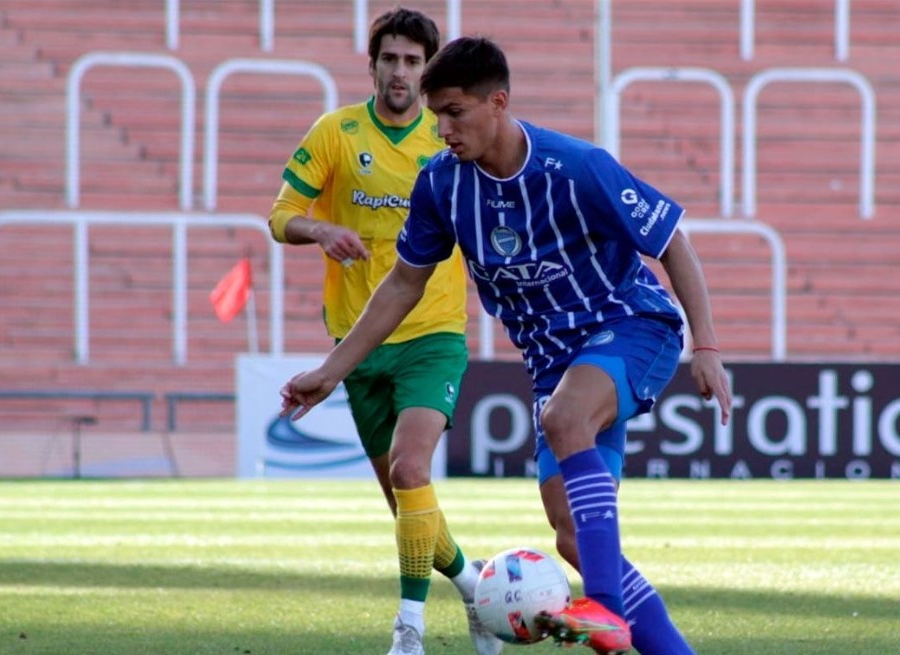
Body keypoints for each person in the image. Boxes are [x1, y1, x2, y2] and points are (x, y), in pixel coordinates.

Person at [280, 36, 733, 655]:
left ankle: (601, 609)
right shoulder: (441, 185)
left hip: (632, 325)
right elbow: (403, 283)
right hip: (552, 363)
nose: (441, 128)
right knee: (573, 537)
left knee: (566, 418)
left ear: (498, 103)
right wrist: (331, 371)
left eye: (454, 112)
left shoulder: (576, 167)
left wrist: (706, 346)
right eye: (436, 114)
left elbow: (672, 239)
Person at [267, 9, 502, 655]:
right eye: (390, 59)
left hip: (432, 333)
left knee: (409, 467)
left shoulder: (448, 136)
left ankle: (409, 631)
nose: (400, 72)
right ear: (371, 64)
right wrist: (319, 229)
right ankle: (478, 587)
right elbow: (280, 213)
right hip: (356, 341)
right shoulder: (336, 132)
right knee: (409, 504)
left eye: (412, 61)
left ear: (427, 69)